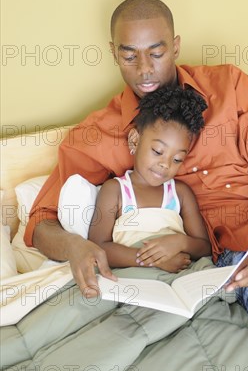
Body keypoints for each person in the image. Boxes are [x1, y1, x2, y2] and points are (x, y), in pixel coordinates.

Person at [26, 0, 248, 371]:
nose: (145, 69)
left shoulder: (230, 85)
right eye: (130, 56)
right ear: (113, 54)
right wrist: (77, 246)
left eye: (157, 52)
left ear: (176, 46)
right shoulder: (97, 134)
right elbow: (40, 223)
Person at [87, 85, 211, 271]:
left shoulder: (180, 193)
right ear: (135, 140)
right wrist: (153, 260)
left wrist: (180, 242)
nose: (165, 164)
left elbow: (204, 247)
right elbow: (98, 247)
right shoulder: (115, 190)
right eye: (158, 151)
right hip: (135, 273)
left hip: (179, 273)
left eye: (177, 159)